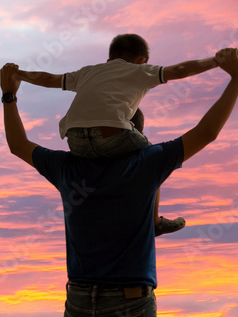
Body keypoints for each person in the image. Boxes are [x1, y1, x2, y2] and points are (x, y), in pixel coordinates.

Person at [0, 47, 238, 317]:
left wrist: (9, 94)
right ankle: (157, 222)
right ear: (133, 132)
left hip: (81, 299)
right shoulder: (148, 163)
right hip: (131, 302)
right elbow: (206, 132)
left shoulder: (68, 169)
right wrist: (236, 77)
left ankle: (157, 223)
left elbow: (18, 144)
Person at [18, 33, 220, 236]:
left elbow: (49, 79)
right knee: (153, 157)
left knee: (115, 149)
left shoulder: (88, 72)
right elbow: (180, 70)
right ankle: (154, 221)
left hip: (75, 140)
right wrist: (216, 61)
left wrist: (19, 75)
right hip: (111, 135)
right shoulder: (140, 71)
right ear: (141, 61)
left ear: (109, 59)